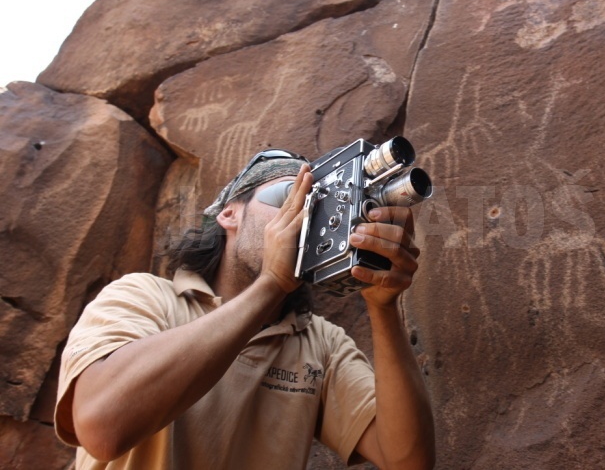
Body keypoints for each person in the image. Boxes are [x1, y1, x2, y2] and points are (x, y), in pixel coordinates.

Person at [54, 149, 436, 469]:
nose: (303, 216)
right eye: (288, 197)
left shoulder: (321, 343)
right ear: (229, 214)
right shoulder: (144, 297)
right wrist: (271, 284)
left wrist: (382, 307)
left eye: (314, 205)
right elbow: (102, 429)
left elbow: (407, 461)